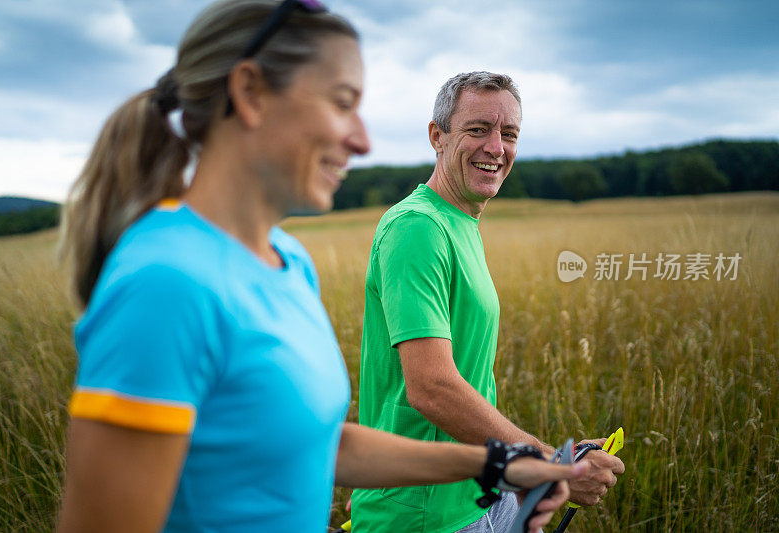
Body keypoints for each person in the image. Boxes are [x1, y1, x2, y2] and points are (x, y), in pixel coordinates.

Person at [55, 3, 588, 532]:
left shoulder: (288, 263)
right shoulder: (164, 282)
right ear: (250, 94)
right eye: (341, 103)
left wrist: (499, 466)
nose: (361, 140)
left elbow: (324, 444)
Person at [351, 71, 626, 532]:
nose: (496, 147)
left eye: (509, 134)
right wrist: (547, 464)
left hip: (480, 490)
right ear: (438, 136)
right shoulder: (418, 228)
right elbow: (432, 387)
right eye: (478, 129)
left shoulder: (460, 223)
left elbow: (466, 380)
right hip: (424, 513)